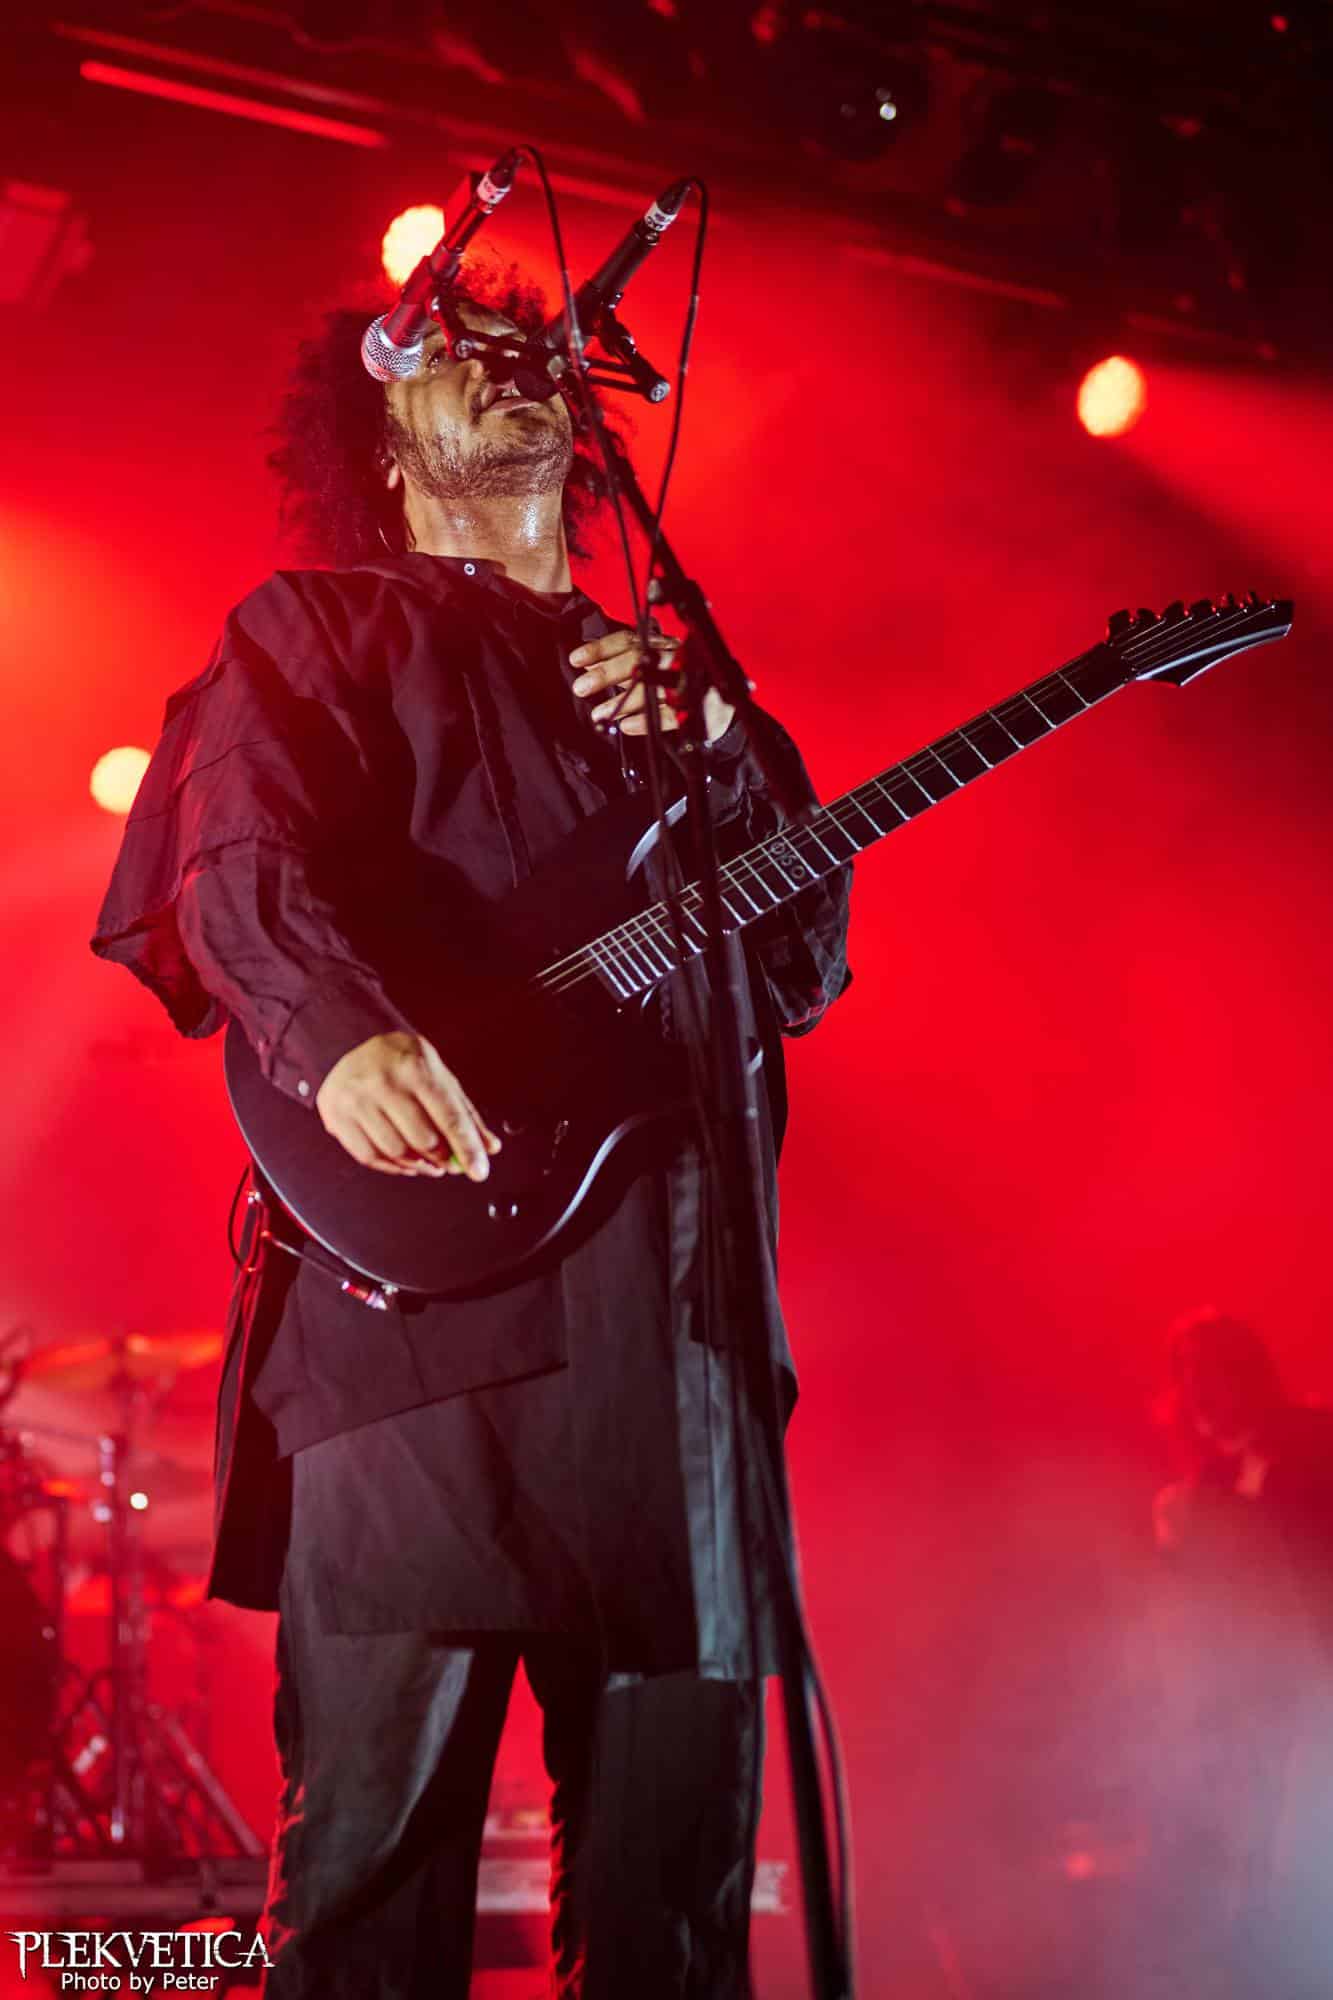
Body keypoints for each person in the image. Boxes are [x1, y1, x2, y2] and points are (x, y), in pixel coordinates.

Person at [91, 266, 851, 1998]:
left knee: (674, 1904)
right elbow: (235, 862)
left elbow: (803, 965)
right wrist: (336, 1030)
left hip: (668, 1346)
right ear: (380, 437)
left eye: (531, 357)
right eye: (460, 355)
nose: (511, 372)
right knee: (371, 1884)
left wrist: (727, 746)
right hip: (414, 1341)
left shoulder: (670, 687)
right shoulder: (316, 629)